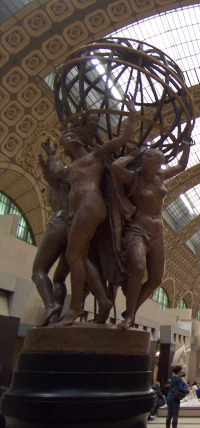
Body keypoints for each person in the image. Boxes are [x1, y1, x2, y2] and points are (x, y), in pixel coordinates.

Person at [45, 100, 136, 327]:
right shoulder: (72, 166)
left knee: (73, 256)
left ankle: (76, 308)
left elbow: (123, 138)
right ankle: (103, 301)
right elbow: (55, 173)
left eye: (67, 139)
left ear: (77, 139)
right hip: (78, 211)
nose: (65, 142)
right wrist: (51, 155)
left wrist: (133, 115)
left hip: (90, 206)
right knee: (80, 256)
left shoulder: (95, 156)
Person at [110, 131, 192, 329]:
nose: (159, 166)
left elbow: (181, 166)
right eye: (154, 161)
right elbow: (115, 167)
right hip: (137, 229)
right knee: (138, 268)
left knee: (155, 279)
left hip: (157, 232)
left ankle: (131, 311)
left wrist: (186, 147)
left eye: (158, 162)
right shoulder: (133, 178)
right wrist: (132, 156)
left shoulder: (160, 176)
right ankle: (129, 315)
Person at [32, 152, 70, 327]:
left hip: (58, 224)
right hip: (73, 227)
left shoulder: (58, 182)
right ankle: (55, 319)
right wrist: (44, 161)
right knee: (59, 278)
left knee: (38, 271)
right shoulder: (74, 184)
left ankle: (50, 305)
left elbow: (51, 173)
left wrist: (50, 155)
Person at [166, 364, 189, 428]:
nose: (182, 371)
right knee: (175, 415)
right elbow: (180, 388)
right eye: (181, 370)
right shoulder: (179, 379)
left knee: (169, 415)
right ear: (179, 371)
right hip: (174, 398)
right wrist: (187, 391)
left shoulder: (172, 378)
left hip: (169, 397)